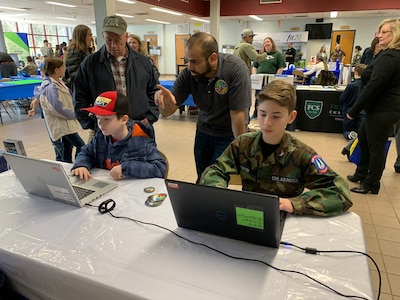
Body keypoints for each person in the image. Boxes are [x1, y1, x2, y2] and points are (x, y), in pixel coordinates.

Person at [200, 80, 352, 217]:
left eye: (276, 116)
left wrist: (295, 204)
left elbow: (340, 192)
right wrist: (219, 193)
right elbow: (215, 171)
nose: (267, 122)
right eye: (263, 114)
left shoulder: (301, 154)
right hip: (247, 216)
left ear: (291, 117)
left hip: (284, 222)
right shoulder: (243, 144)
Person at [155, 32, 251, 183]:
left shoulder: (235, 70)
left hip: (227, 133)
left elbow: (238, 115)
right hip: (204, 132)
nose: (189, 67)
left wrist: (240, 150)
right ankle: (203, 204)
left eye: (195, 62)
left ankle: (214, 204)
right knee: (202, 177)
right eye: (187, 60)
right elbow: (167, 112)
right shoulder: (189, 74)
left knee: (215, 181)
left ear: (213, 58)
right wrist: (163, 103)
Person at [74, 15, 159, 133]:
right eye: (109, 40)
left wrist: (150, 117)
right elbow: (80, 96)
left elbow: (154, 91)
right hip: (105, 129)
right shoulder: (90, 64)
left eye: (117, 40)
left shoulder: (143, 62)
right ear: (103, 36)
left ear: (126, 36)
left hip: (139, 126)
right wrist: (90, 123)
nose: (113, 45)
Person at [346, 18, 400, 194]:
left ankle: (371, 184)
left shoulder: (391, 57)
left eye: (385, 32)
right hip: (378, 109)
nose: (380, 35)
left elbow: (374, 85)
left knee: (376, 148)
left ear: (396, 34)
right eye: (379, 32)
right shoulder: (386, 54)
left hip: (382, 110)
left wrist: (353, 110)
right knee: (363, 139)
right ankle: (361, 173)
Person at [71, 91, 166, 181]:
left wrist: (126, 168)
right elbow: (86, 153)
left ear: (124, 120)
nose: (100, 124)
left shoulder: (141, 140)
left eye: (106, 119)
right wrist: (81, 165)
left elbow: (160, 168)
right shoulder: (101, 136)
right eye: (98, 118)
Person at [35, 57, 85, 163]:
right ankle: (78, 165)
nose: (65, 69)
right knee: (81, 146)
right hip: (62, 125)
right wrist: (73, 114)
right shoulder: (50, 88)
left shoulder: (59, 83)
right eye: (63, 67)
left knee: (67, 148)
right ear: (56, 70)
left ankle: (67, 167)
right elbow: (56, 109)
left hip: (66, 123)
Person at [251, 37, 286, 119]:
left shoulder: (277, 54)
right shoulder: (261, 55)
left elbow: (281, 67)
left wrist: (276, 77)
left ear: (272, 43)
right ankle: (255, 114)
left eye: (268, 42)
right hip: (260, 80)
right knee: (258, 97)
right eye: (264, 42)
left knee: (270, 98)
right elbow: (255, 66)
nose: (266, 43)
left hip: (271, 80)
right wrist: (255, 75)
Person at [339, 63, 367, 140]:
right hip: (362, 112)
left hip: (349, 111)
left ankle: (349, 136)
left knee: (346, 130)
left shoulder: (351, 85)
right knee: (358, 129)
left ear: (355, 72)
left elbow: (342, 99)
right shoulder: (367, 86)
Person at [64, 24, 93, 91]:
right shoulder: (74, 54)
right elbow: (76, 77)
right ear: (82, 37)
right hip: (80, 92)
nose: (91, 38)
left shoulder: (86, 52)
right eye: (90, 35)